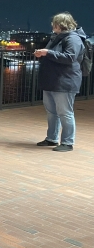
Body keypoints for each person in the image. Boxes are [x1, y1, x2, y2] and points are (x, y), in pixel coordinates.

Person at [35, 12, 86, 152]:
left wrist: (47, 53)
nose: (52, 25)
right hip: (53, 80)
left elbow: (69, 58)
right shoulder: (57, 38)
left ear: (61, 24)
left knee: (65, 113)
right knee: (52, 112)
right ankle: (51, 138)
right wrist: (43, 53)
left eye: (54, 23)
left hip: (65, 81)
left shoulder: (73, 38)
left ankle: (67, 142)